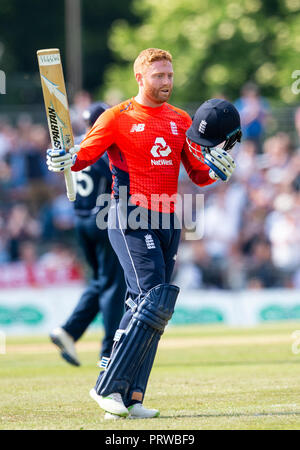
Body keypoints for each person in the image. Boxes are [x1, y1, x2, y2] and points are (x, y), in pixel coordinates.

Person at [46, 48, 241, 419]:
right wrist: (61, 157)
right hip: (129, 214)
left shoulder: (181, 119)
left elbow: (198, 175)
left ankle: (132, 396)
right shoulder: (116, 117)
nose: (166, 82)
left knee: (156, 304)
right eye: (158, 76)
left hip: (169, 219)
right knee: (150, 298)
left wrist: (217, 169)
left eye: (169, 75)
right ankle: (108, 387)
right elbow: (82, 156)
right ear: (140, 77)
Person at [50, 102, 126, 367]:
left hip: (80, 220)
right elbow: (116, 174)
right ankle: (109, 351)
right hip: (102, 218)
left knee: (100, 282)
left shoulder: (76, 145)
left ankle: (69, 330)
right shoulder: (101, 145)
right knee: (114, 285)